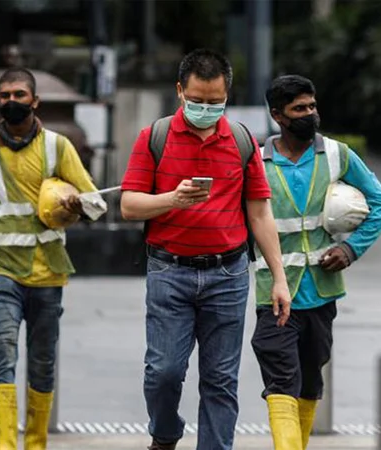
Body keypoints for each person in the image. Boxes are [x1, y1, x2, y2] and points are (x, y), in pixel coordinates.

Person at [120, 49, 290, 450]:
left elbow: (260, 214)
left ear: (227, 95)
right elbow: (129, 205)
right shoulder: (155, 137)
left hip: (228, 275)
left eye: (215, 102)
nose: (206, 108)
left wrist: (278, 278)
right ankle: (165, 433)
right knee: (163, 372)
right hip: (169, 272)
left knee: (220, 380)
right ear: (180, 91)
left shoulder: (243, 140)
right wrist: (171, 200)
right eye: (197, 100)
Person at [0, 67, 100, 450]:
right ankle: (6, 445)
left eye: (19, 94)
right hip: (0, 268)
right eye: (4, 95)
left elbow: (97, 202)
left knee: (41, 363)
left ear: (35, 101)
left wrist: (76, 202)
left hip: (48, 273)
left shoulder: (58, 147)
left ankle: (35, 443)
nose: (11, 101)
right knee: (2, 350)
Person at [251, 75, 381, 450]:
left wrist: (350, 249)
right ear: (278, 116)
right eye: (300, 109)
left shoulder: (337, 155)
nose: (310, 115)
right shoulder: (256, 162)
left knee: (310, 381)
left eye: (312, 107)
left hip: (321, 292)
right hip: (274, 293)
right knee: (280, 379)